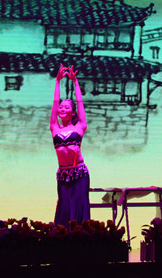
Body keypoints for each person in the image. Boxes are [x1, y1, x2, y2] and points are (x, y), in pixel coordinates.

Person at [50, 64, 90, 226]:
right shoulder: (54, 128)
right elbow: (54, 102)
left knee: (79, 209)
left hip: (79, 175)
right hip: (63, 175)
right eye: (61, 107)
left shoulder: (80, 126)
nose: (61, 109)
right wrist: (57, 81)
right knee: (65, 209)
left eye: (66, 107)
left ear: (72, 112)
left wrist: (75, 82)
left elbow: (80, 102)